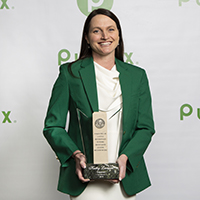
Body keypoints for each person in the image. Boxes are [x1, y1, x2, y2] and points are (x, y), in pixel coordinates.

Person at [43, 8, 155, 200]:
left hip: (123, 178)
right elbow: (53, 126)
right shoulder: (70, 74)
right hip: (85, 179)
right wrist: (75, 155)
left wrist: (125, 158)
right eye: (96, 31)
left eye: (111, 29)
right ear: (86, 38)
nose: (105, 36)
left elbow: (145, 127)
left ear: (119, 35)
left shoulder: (137, 76)